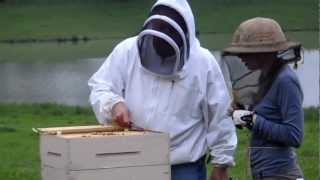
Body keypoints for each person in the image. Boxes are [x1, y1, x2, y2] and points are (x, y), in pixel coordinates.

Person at [88, 0, 237, 179]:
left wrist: (222, 162)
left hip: (183, 166)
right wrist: (114, 104)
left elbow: (219, 114)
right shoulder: (127, 50)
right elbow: (100, 86)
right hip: (133, 159)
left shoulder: (204, 63)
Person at [223, 17, 304, 180]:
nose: (241, 57)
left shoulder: (285, 80)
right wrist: (241, 116)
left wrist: (251, 120)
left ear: (263, 52)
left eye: (246, 52)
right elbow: (268, 120)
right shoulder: (266, 77)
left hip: (281, 175)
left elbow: (294, 135)